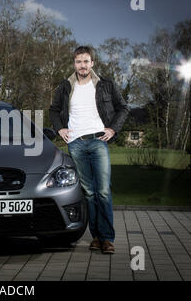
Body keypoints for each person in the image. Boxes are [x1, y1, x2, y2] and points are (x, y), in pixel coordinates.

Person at [49, 46, 129, 254]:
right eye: (78, 62)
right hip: (76, 143)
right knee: (89, 193)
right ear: (74, 64)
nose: (82, 65)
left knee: (103, 191)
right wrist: (60, 128)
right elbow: (54, 110)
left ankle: (108, 238)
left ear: (92, 63)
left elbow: (123, 108)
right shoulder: (66, 86)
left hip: (98, 141)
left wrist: (113, 129)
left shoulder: (106, 84)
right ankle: (96, 237)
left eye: (86, 61)